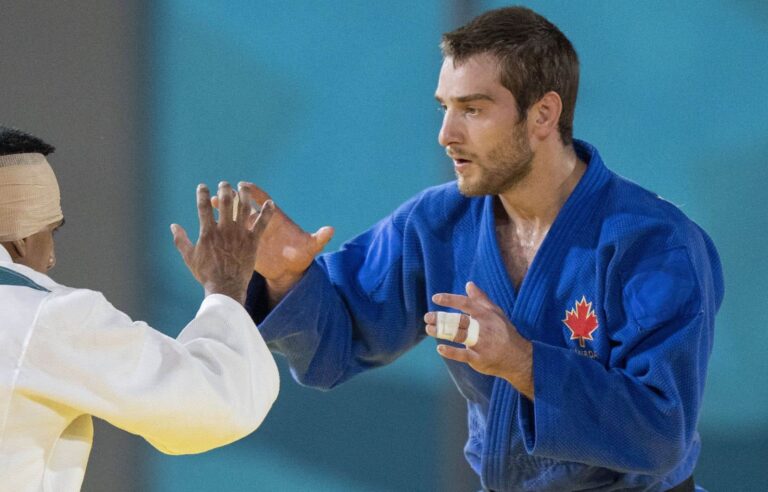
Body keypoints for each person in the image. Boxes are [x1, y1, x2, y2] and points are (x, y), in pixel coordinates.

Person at [240, 7, 723, 492]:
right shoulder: (437, 224)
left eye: (472, 109)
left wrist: (521, 362)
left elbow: (662, 433)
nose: (447, 135)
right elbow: (335, 345)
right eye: (443, 108)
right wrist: (287, 278)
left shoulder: (654, 244)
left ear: (543, 115)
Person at [0, 127, 280, 490]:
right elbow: (215, 404)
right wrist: (225, 286)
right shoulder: (46, 317)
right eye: (51, 232)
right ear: (22, 239)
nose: (51, 258)